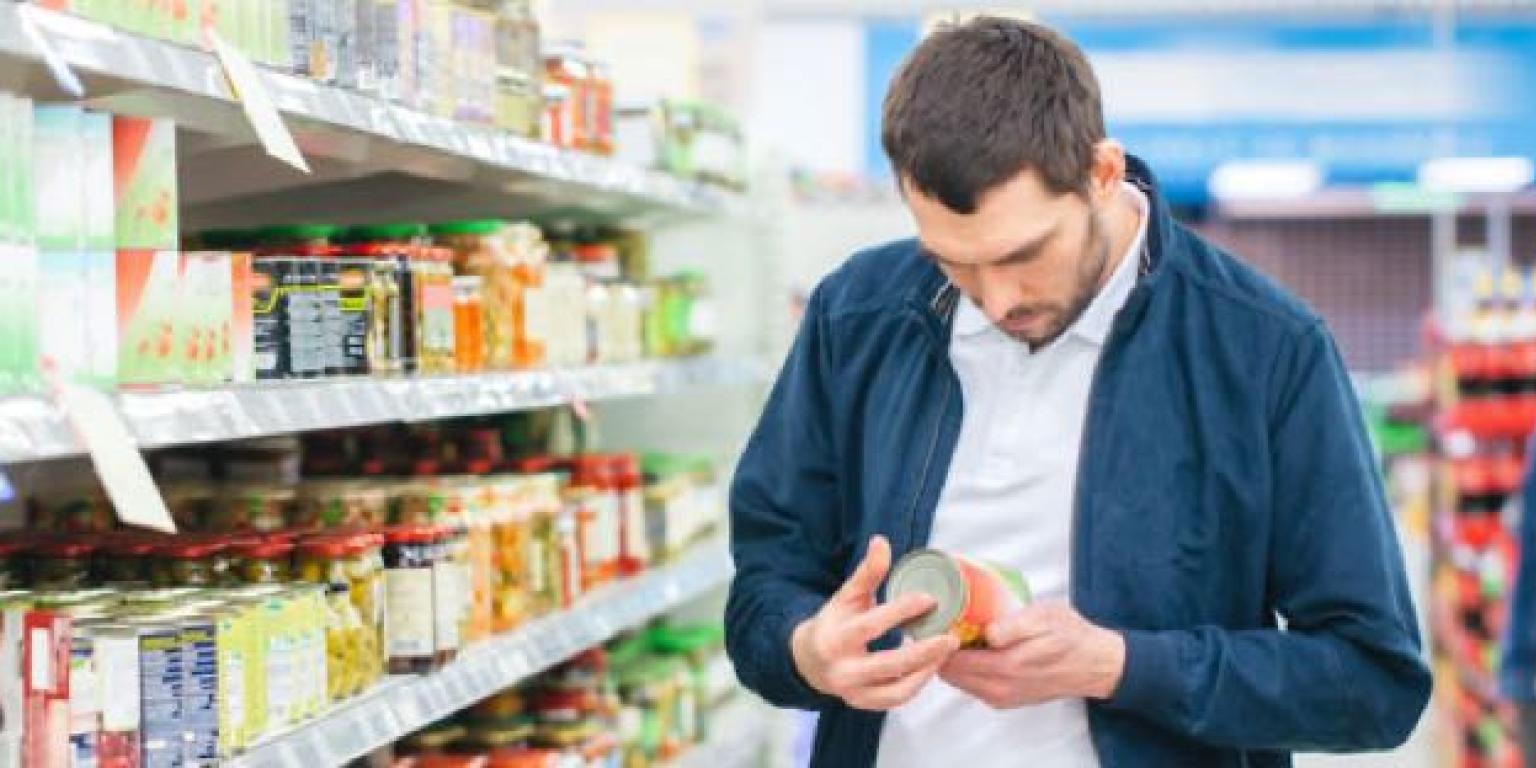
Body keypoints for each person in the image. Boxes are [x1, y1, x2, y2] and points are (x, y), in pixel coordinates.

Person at [725, 16, 1431, 768]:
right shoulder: (859, 314)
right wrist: (809, 650)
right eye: (952, 263)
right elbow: (765, 589)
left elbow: (1373, 683)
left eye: (1024, 254)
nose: (995, 300)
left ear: (1100, 173)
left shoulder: (1264, 350)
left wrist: (1119, 665)